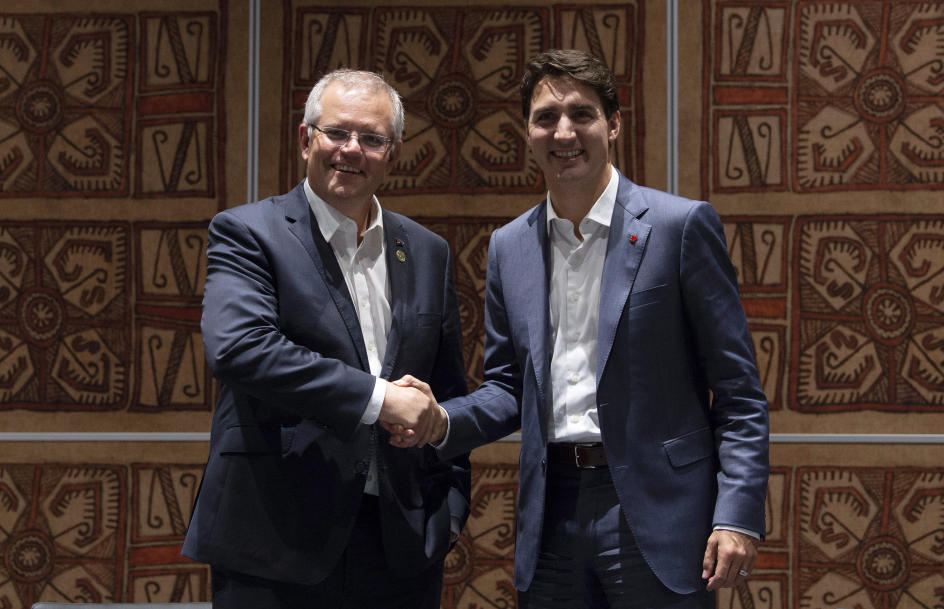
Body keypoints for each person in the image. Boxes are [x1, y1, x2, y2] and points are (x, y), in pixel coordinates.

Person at [392, 49, 769, 608]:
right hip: (551, 511)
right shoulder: (509, 247)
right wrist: (441, 419)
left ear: (612, 124)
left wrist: (737, 516)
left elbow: (738, 394)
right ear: (527, 132)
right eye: (546, 117)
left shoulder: (679, 227)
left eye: (582, 114)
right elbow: (507, 388)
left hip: (658, 511)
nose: (563, 132)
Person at [182, 68, 469, 609]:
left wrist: (449, 510)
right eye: (337, 132)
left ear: (395, 152)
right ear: (305, 139)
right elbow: (239, 347)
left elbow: (447, 387)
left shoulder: (427, 251)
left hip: (401, 546)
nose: (352, 150)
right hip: (274, 540)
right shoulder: (248, 232)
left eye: (373, 138)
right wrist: (382, 400)